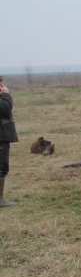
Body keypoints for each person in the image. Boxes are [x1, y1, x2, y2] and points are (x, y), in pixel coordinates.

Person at [0, 76, 18, 207]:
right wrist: (6, 95)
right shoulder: (3, 96)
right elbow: (6, 110)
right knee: (1, 167)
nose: (3, 85)